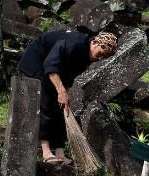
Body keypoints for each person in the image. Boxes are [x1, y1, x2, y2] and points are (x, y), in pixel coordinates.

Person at [17, 30, 118, 164]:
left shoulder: (86, 56)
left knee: (60, 107)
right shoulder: (73, 44)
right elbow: (50, 64)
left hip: (54, 70)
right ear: (94, 43)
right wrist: (61, 90)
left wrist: (64, 93)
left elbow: (69, 75)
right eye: (100, 54)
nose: (100, 59)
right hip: (37, 63)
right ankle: (46, 151)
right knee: (46, 101)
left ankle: (60, 152)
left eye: (104, 57)